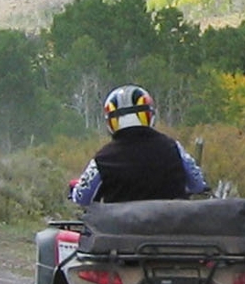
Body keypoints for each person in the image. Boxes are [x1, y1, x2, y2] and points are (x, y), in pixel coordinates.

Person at [68, 84, 207, 206]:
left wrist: (75, 187)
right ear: (149, 116)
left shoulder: (102, 159)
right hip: (171, 230)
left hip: (120, 233)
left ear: (111, 122)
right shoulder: (174, 148)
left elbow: (81, 198)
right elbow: (198, 184)